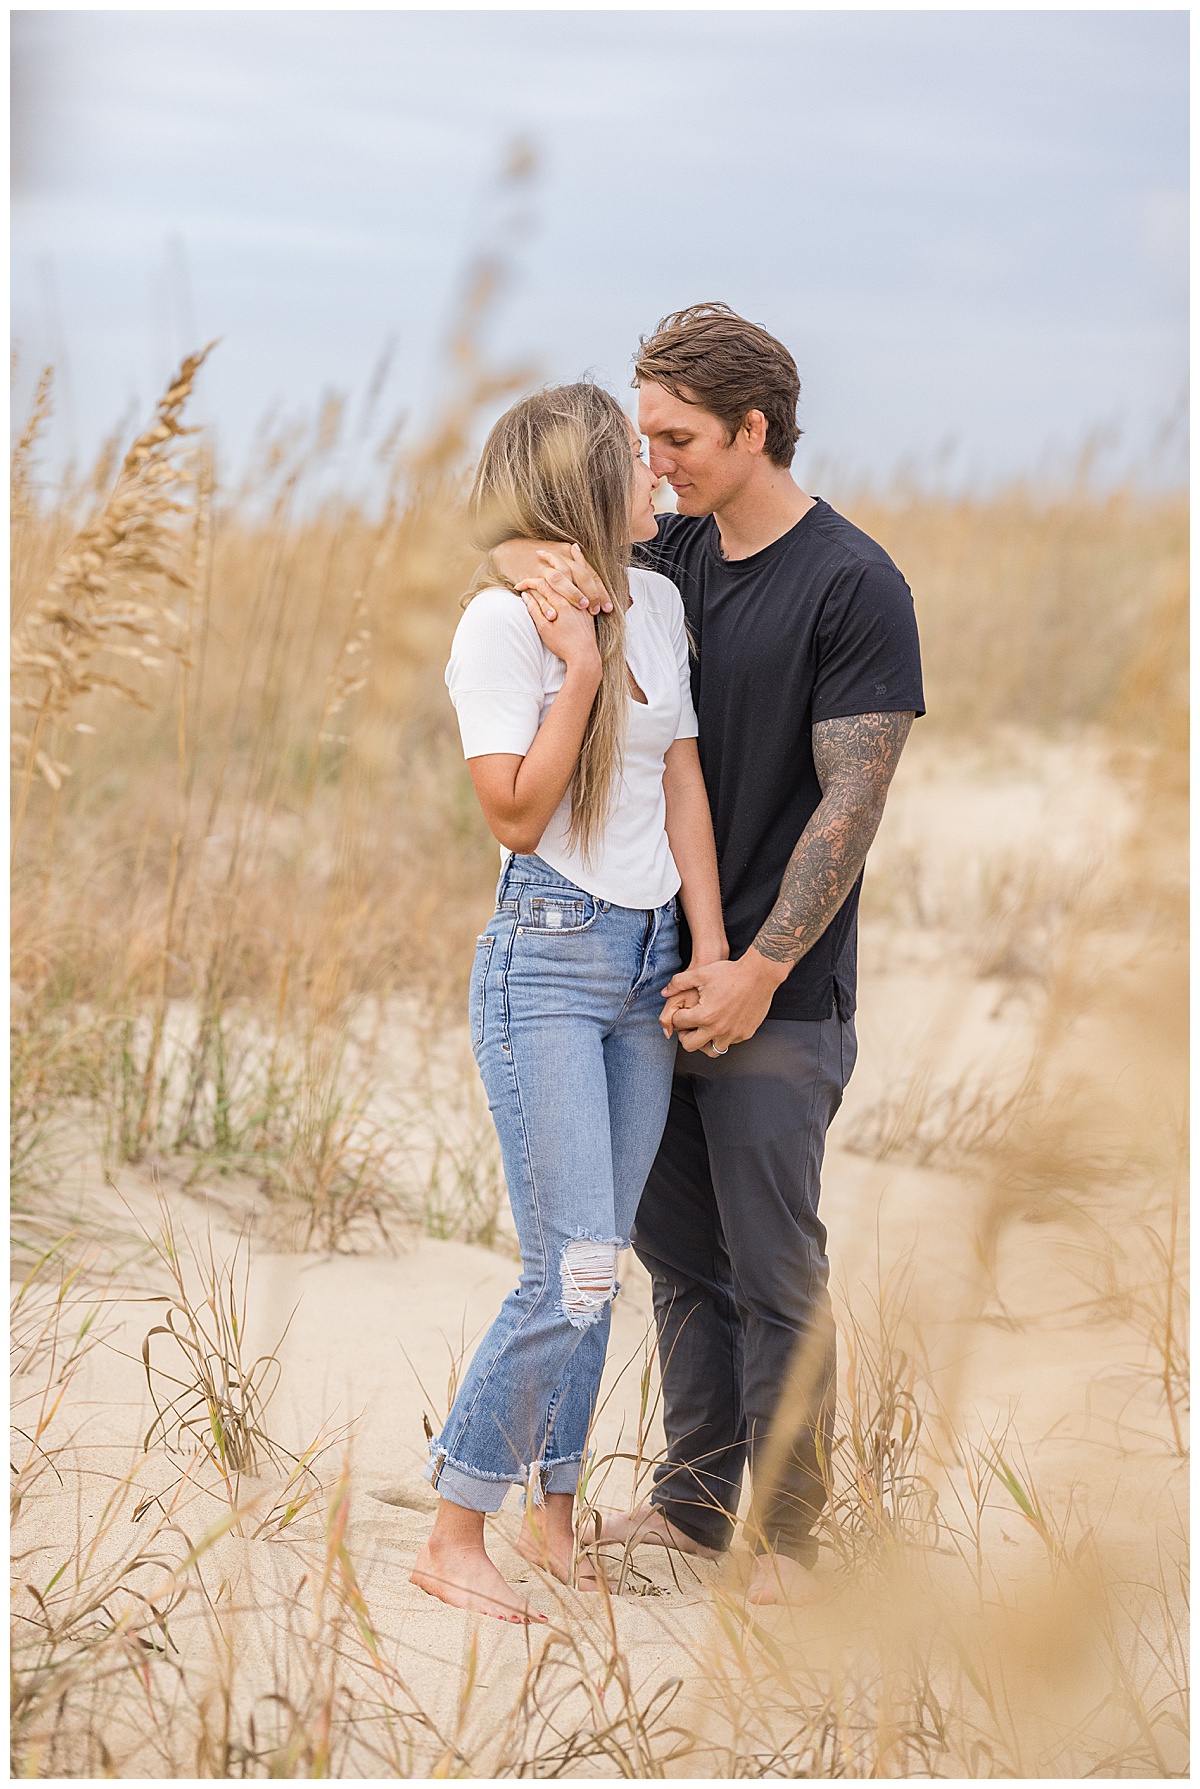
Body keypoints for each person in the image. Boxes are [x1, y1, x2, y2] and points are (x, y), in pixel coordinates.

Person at [494, 303, 924, 1605]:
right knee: (680, 1259)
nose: (657, 457)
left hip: (780, 995)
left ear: (754, 429)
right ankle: (694, 1503)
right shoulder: (667, 549)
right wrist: (527, 559)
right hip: (650, 973)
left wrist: (761, 970)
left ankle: (789, 1539)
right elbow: (522, 526)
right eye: (646, 435)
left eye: (678, 436)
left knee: (773, 1261)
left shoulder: (855, 584)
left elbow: (850, 807)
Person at [411, 382, 727, 1623]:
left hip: (650, 965)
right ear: (589, 486)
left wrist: (706, 942)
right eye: (634, 463)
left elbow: (683, 782)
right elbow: (515, 813)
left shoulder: (658, 596)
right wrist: (580, 668)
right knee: (575, 1265)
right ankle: (454, 1528)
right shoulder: (501, 626)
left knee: (605, 1262)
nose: (656, 473)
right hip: (545, 959)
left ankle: (553, 1518)